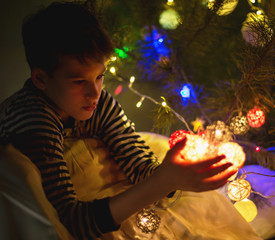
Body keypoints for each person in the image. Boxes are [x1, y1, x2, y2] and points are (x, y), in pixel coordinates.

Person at [0, 1, 236, 239]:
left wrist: (175, 173)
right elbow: (71, 222)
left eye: (99, 76)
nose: (94, 93)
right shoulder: (33, 121)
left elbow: (137, 164)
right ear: (41, 79)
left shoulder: (99, 102)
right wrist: (163, 181)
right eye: (79, 81)